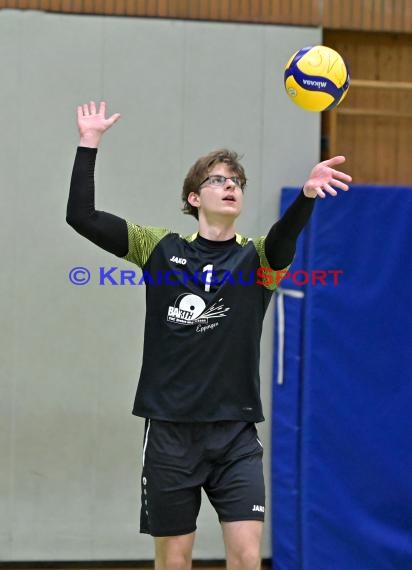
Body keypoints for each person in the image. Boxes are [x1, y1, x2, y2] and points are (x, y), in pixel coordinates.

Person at [66, 101, 351, 570]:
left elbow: (283, 240)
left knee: (245, 556)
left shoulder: (258, 260)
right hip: (170, 432)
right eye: (218, 179)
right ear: (194, 198)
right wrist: (89, 141)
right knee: (174, 560)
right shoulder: (158, 248)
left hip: (235, 434)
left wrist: (307, 196)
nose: (230, 186)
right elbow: (83, 216)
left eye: (236, 181)